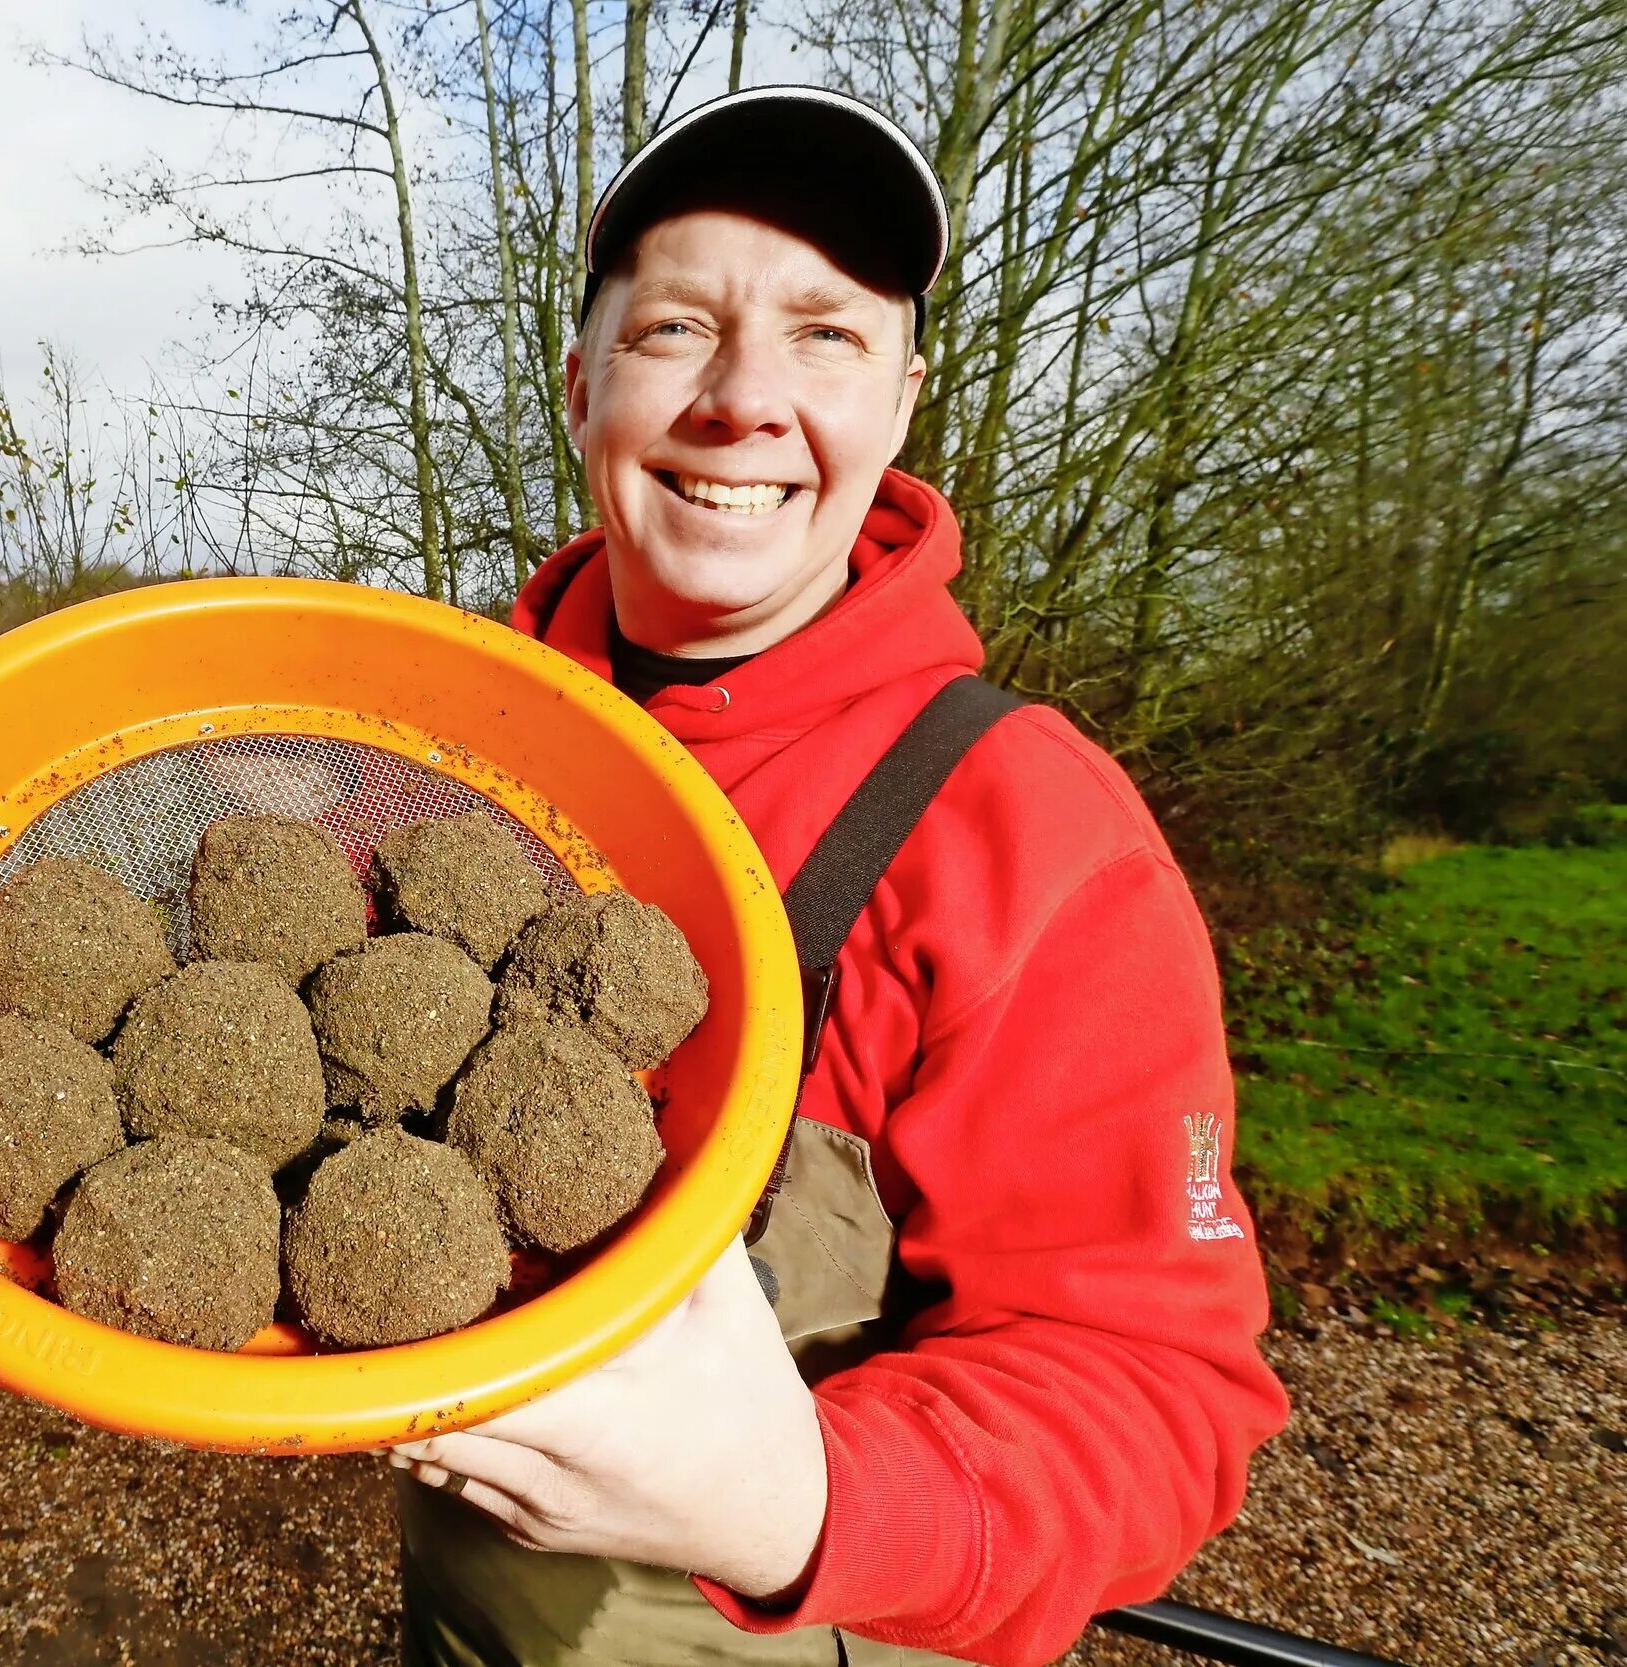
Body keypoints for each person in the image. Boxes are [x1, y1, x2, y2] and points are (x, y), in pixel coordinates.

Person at [384, 87, 1291, 1667]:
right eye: (675, 327)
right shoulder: (440, 757)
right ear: (584, 371)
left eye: (825, 335)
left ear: (903, 397)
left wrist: (800, 1501)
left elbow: (1162, 1394)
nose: (744, 399)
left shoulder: (1030, 830)